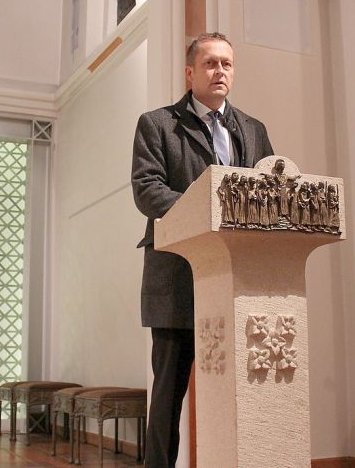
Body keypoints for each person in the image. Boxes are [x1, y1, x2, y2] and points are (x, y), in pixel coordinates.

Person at [131, 32, 274, 468]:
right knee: (168, 397)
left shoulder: (252, 129)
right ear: (190, 72)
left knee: (237, 391)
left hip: (236, 280)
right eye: (210, 64)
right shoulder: (157, 124)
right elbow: (147, 190)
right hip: (177, 278)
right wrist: (208, 210)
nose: (220, 72)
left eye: (227, 64)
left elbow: (266, 193)